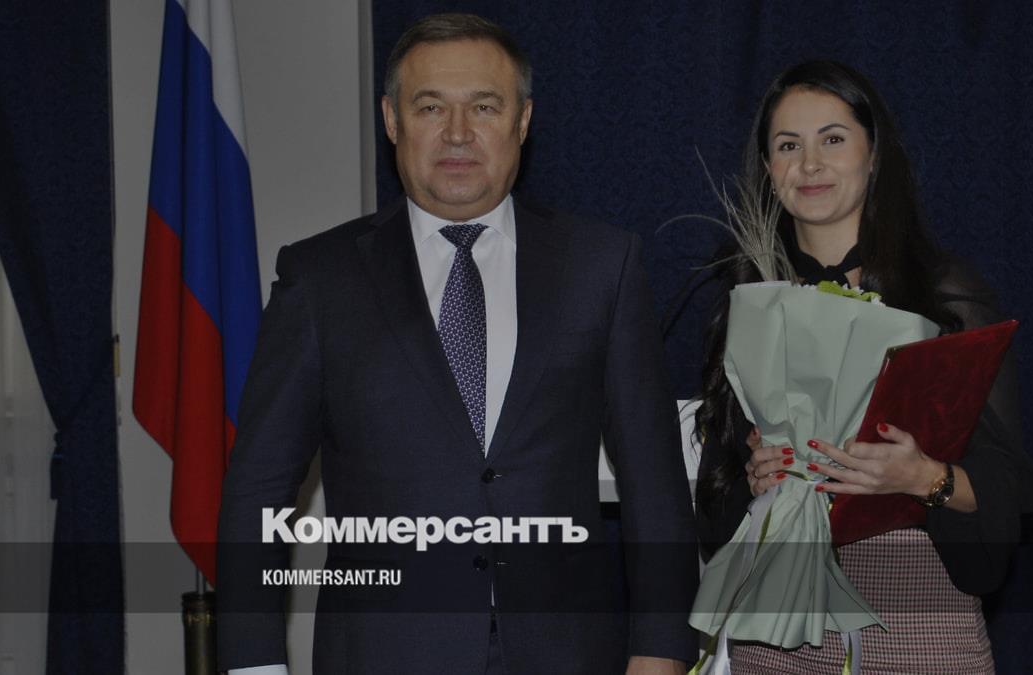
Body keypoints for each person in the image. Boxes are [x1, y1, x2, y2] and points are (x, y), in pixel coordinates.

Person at [216, 12, 697, 675]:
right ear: (392, 120)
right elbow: (259, 487)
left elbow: (655, 481)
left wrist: (662, 646)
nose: (458, 133)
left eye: (485, 107)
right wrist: (254, 663)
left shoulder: (600, 266)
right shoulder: (320, 279)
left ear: (522, 121)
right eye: (431, 107)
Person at [693, 60, 1033, 672]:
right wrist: (754, 480)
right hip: (774, 633)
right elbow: (712, 503)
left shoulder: (943, 295)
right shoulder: (748, 300)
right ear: (769, 170)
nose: (810, 164)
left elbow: (1009, 488)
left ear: (874, 155)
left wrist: (922, 477)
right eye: (788, 146)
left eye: (833, 139)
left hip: (916, 622)